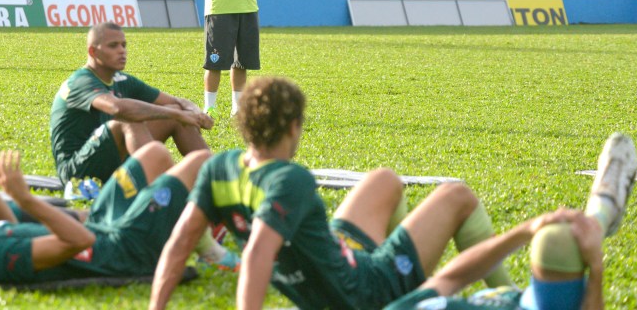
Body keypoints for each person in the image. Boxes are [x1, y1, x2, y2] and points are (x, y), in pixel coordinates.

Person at [150, 77, 513, 310]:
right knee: (457, 195)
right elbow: (259, 254)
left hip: (336, 262)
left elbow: (180, 243)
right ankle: (502, 296)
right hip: (365, 292)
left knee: (384, 180)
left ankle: (407, 274)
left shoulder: (218, 168)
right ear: (294, 127)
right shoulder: (290, 179)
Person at [0, 141, 236, 283]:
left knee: (154, 154)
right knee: (200, 162)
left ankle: (185, 226)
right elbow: (80, 239)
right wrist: (28, 199)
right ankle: (203, 243)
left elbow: (6, 226)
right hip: (126, 247)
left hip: (107, 226)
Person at [384, 133, 637, 310]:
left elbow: (451, 278)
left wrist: (527, 230)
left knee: (548, 234)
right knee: (557, 241)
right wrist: (595, 268)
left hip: (503, 298)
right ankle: (602, 213)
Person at [50, 22, 213, 185]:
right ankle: (163, 192)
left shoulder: (121, 79)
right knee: (129, 119)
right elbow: (118, 108)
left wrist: (195, 113)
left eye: (124, 45)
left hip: (112, 161)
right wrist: (178, 114)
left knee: (174, 112)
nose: (121, 50)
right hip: (77, 174)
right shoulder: (80, 81)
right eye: (113, 46)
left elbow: (176, 101)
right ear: (93, 51)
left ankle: (214, 180)